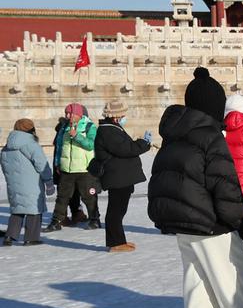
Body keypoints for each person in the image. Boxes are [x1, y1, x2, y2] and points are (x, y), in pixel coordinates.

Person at [148, 68, 243, 308]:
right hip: (214, 226)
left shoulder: (172, 134)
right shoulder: (210, 136)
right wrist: (241, 223)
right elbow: (225, 187)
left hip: (183, 226)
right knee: (233, 288)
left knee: (198, 290)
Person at [93, 100, 152, 252]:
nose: (124, 117)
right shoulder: (108, 131)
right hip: (117, 177)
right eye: (123, 114)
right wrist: (143, 143)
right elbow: (126, 149)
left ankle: (119, 240)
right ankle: (115, 243)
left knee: (118, 209)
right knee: (116, 210)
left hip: (120, 176)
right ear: (116, 116)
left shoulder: (112, 129)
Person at [47, 102, 99, 231]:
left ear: (78, 115)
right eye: (66, 113)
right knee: (62, 197)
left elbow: (91, 145)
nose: (67, 115)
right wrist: (58, 163)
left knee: (89, 196)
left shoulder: (89, 126)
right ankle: (56, 221)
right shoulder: (64, 127)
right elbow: (59, 147)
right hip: (67, 169)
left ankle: (94, 219)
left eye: (69, 113)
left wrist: (76, 136)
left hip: (84, 169)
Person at [2, 119, 53, 246]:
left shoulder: (7, 146)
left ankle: (10, 236)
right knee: (34, 208)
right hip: (32, 183)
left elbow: (3, 165)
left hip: (13, 183)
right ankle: (31, 237)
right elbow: (41, 163)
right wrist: (48, 180)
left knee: (17, 209)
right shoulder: (30, 144)